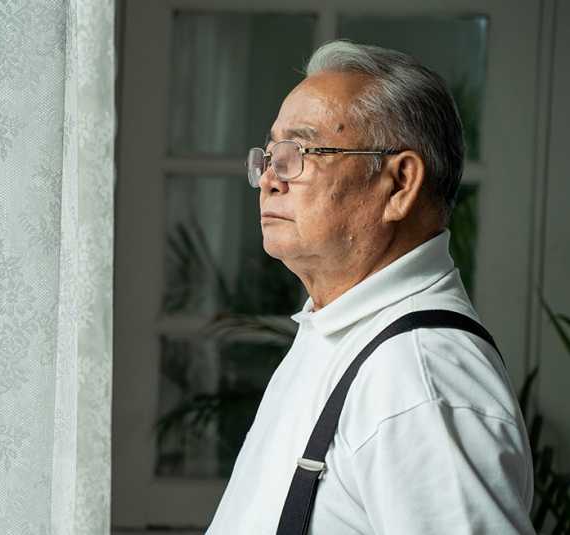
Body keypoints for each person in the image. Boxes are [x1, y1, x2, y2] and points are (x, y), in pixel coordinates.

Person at [206, 41, 535, 534]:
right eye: (271, 154)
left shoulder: (419, 377)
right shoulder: (335, 330)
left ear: (400, 183)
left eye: (301, 152)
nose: (270, 179)